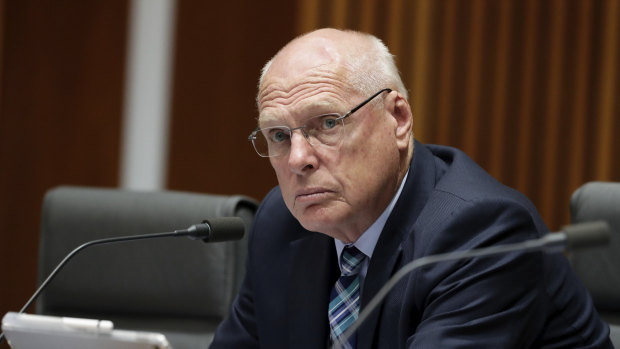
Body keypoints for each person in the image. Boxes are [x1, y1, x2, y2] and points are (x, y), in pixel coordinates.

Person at [210, 28, 612, 348]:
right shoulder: (282, 223)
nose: (298, 158)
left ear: (398, 118)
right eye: (279, 135)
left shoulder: (482, 233)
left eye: (328, 124)